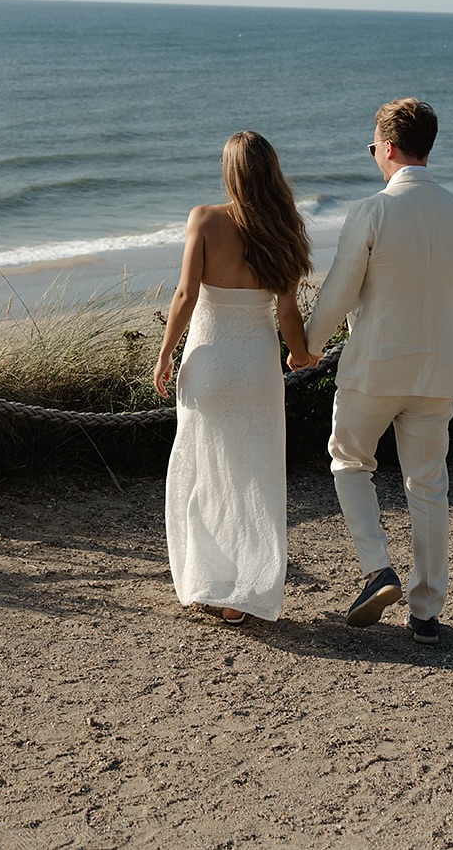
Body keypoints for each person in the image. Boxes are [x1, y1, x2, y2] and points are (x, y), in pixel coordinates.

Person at [296, 97, 453, 644]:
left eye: (373, 144)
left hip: (374, 367)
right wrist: (442, 351)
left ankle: (376, 569)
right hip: (437, 371)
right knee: (429, 488)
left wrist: (306, 347)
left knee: (349, 462)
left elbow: (337, 293)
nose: (373, 152)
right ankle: (426, 612)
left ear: (390, 147)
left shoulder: (372, 210)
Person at [154, 131, 318, 625]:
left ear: (230, 172)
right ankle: (241, 594)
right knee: (255, 479)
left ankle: (207, 579)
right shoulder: (285, 227)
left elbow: (184, 297)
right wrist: (303, 355)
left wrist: (164, 355)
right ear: (270, 171)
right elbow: (288, 313)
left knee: (204, 473)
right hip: (256, 367)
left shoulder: (204, 219)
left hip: (207, 362)